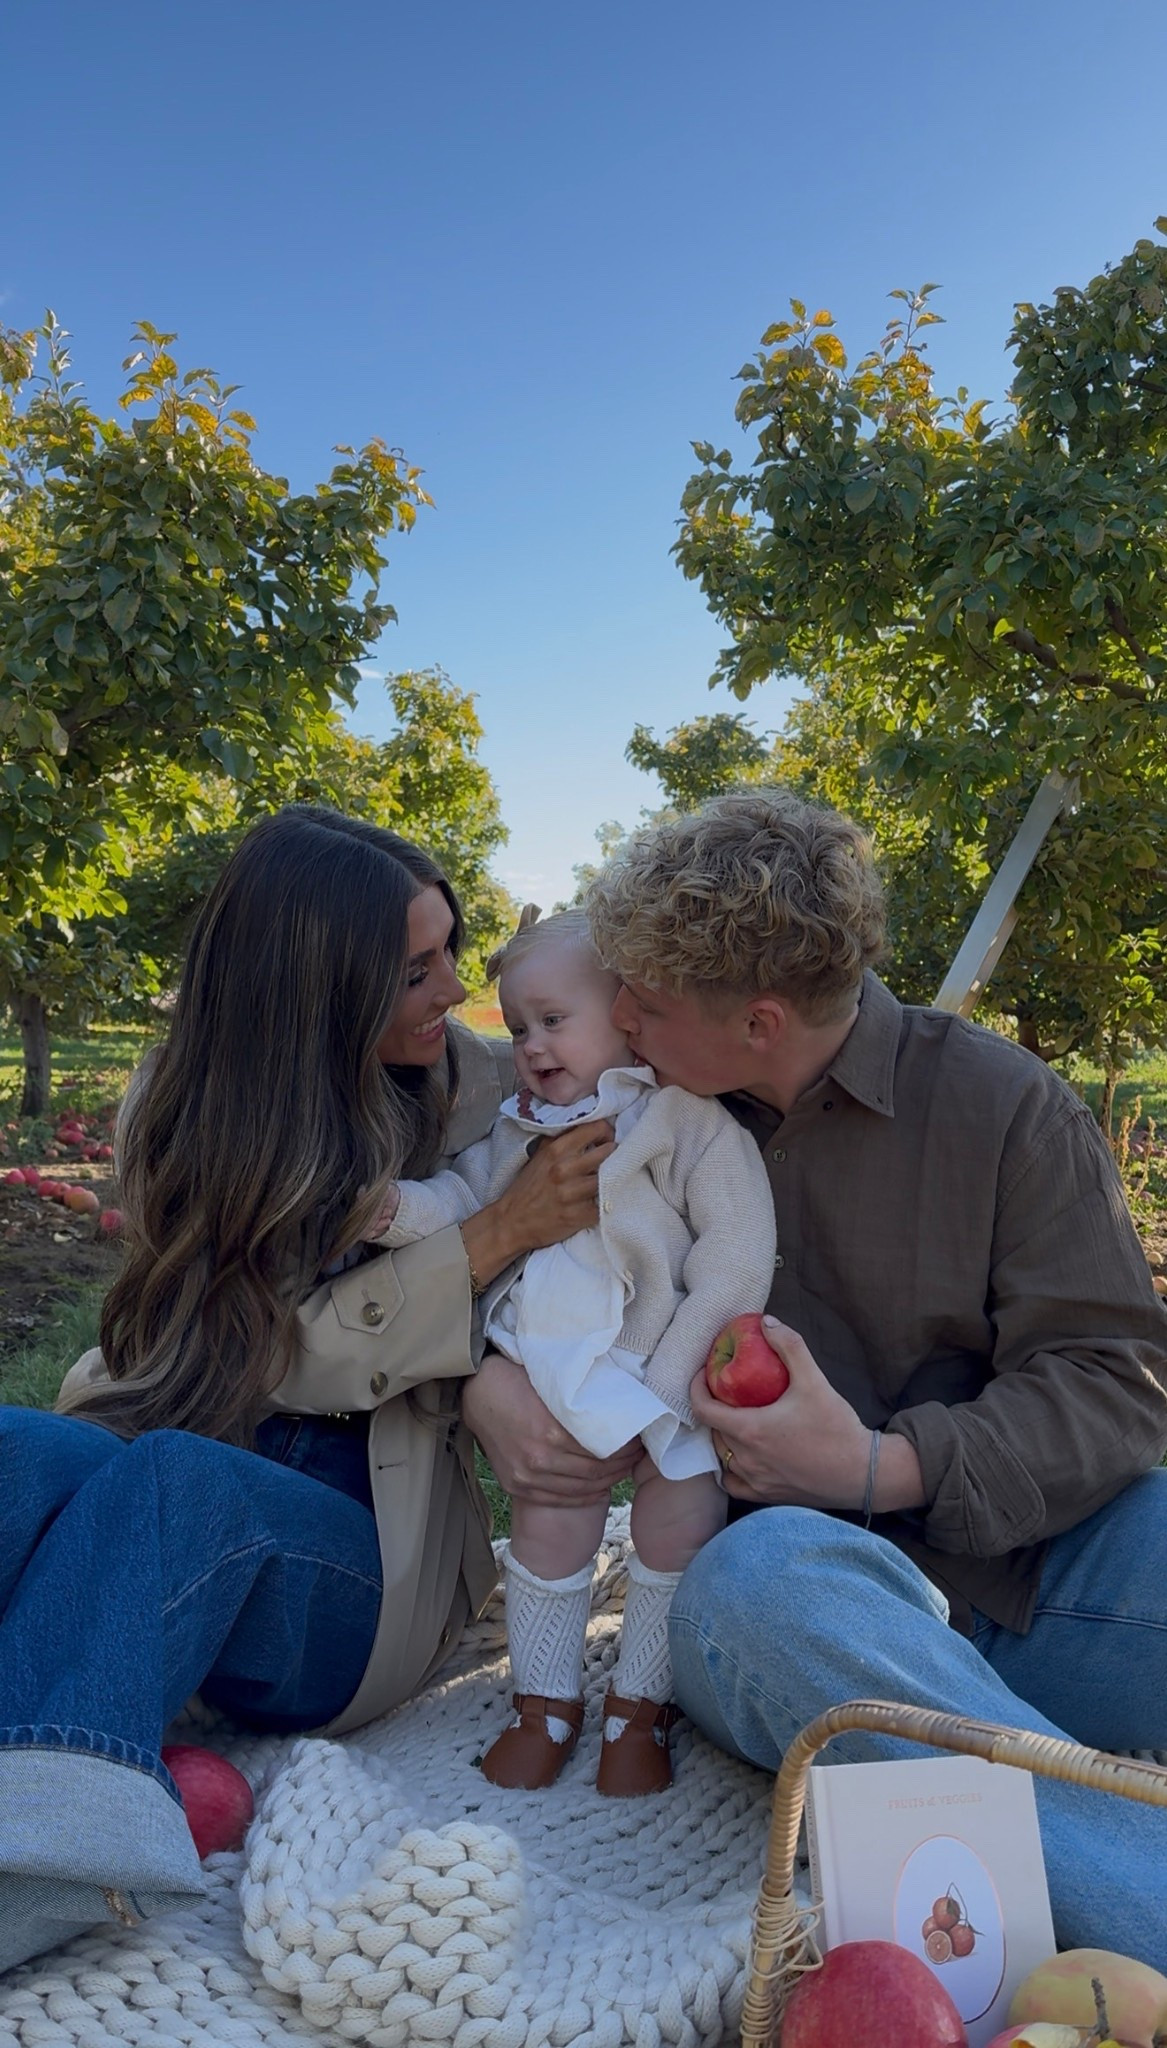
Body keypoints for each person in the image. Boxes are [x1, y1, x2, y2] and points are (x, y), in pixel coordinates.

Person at [0, 805, 640, 1977]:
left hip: (365, 1554)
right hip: (189, 1439)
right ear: (317, 991)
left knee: (177, 1485)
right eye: (416, 968)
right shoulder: (189, 1106)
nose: (456, 988)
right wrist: (488, 1233)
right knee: (15, 1449)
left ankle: (38, 1861)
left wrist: (490, 1342)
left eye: (451, 947)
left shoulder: (492, 1088)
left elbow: (629, 1211)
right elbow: (253, 1346)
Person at [585, 785, 1167, 1966]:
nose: (619, 1023)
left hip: (1031, 1580)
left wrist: (877, 1465)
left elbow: (1116, 1378)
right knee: (759, 1577)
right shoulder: (623, 1114)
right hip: (800, 1610)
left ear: (758, 1020)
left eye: (642, 1006)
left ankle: (970, 1755)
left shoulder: (1007, 1107)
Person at [376, 907, 776, 1794]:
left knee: (678, 1523)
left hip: (664, 1366)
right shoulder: (520, 1127)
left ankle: (641, 1708)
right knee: (552, 1519)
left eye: (554, 1021)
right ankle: (545, 1704)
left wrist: (671, 1387)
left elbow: (737, 1254)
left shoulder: (685, 1124)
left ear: (627, 1015)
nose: (530, 1045)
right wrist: (401, 1210)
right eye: (518, 1027)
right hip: (553, 1372)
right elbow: (463, 1198)